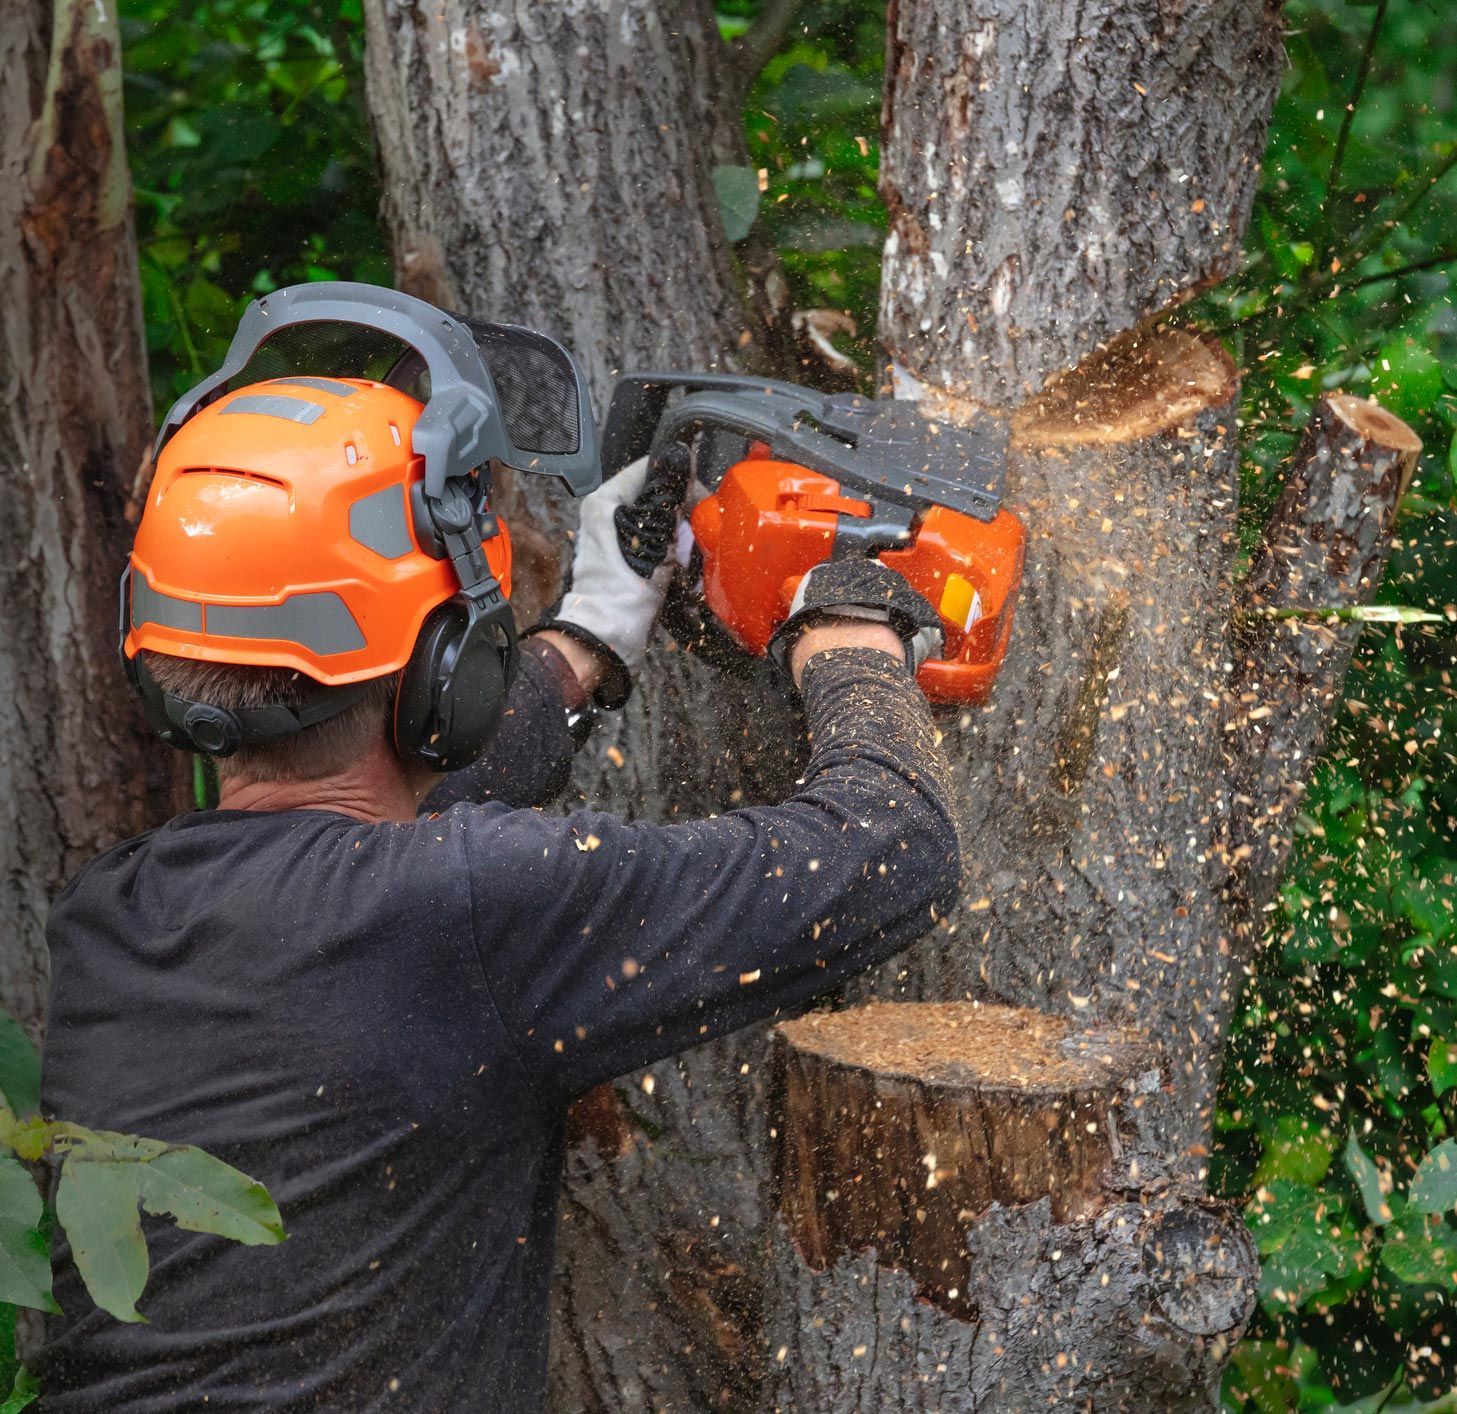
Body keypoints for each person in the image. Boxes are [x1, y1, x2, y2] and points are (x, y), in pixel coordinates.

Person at [37, 294, 961, 1412]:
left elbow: (393, 815)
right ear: (446, 661)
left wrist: (586, 636)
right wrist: (849, 631)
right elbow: (890, 844)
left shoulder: (117, 917)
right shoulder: (468, 911)